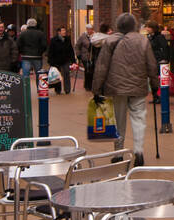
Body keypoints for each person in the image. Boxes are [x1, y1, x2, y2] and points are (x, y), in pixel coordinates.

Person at [92, 13, 159, 166]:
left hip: (117, 88)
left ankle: (119, 153)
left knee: (118, 121)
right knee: (139, 120)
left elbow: (101, 67)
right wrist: (155, 86)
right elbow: (152, 65)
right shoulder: (143, 41)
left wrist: (96, 89)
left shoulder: (110, 41)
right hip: (138, 87)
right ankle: (139, 152)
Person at [17, 17, 47, 87]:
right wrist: (40, 52)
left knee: (26, 75)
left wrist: (22, 52)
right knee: (39, 74)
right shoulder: (40, 34)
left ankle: (26, 90)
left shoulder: (23, 34)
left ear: (27, 24)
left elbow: (18, 44)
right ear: (35, 24)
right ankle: (39, 89)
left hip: (26, 56)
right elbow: (44, 45)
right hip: (37, 57)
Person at [47, 27, 76, 94]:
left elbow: (71, 51)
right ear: (59, 32)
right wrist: (51, 61)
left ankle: (67, 89)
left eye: (65, 30)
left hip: (65, 60)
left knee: (66, 73)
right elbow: (50, 51)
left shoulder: (67, 39)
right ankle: (58, 89)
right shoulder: (53, 40)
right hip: (56, 61)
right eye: (63, 30)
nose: (64, 32)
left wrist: (73, 61)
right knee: (57, 75)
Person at [76, 24, 96, 92]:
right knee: (87, 70)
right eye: (88, 29)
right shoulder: (83, 36)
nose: (89, 30)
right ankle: (87, 86)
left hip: (93, 56)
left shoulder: (95, 36)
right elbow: (77, 46)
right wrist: (78, 55)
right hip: (85, 57)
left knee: (92, 71)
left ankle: (91, 85)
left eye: (90, 29)